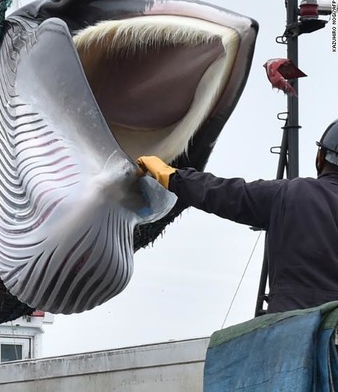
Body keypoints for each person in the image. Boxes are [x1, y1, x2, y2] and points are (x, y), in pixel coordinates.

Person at [137, 120, 338, 314]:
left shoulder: (290, 194)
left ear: (320, 157)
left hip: (291, 331)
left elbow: (225, 194)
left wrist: (171, 176)